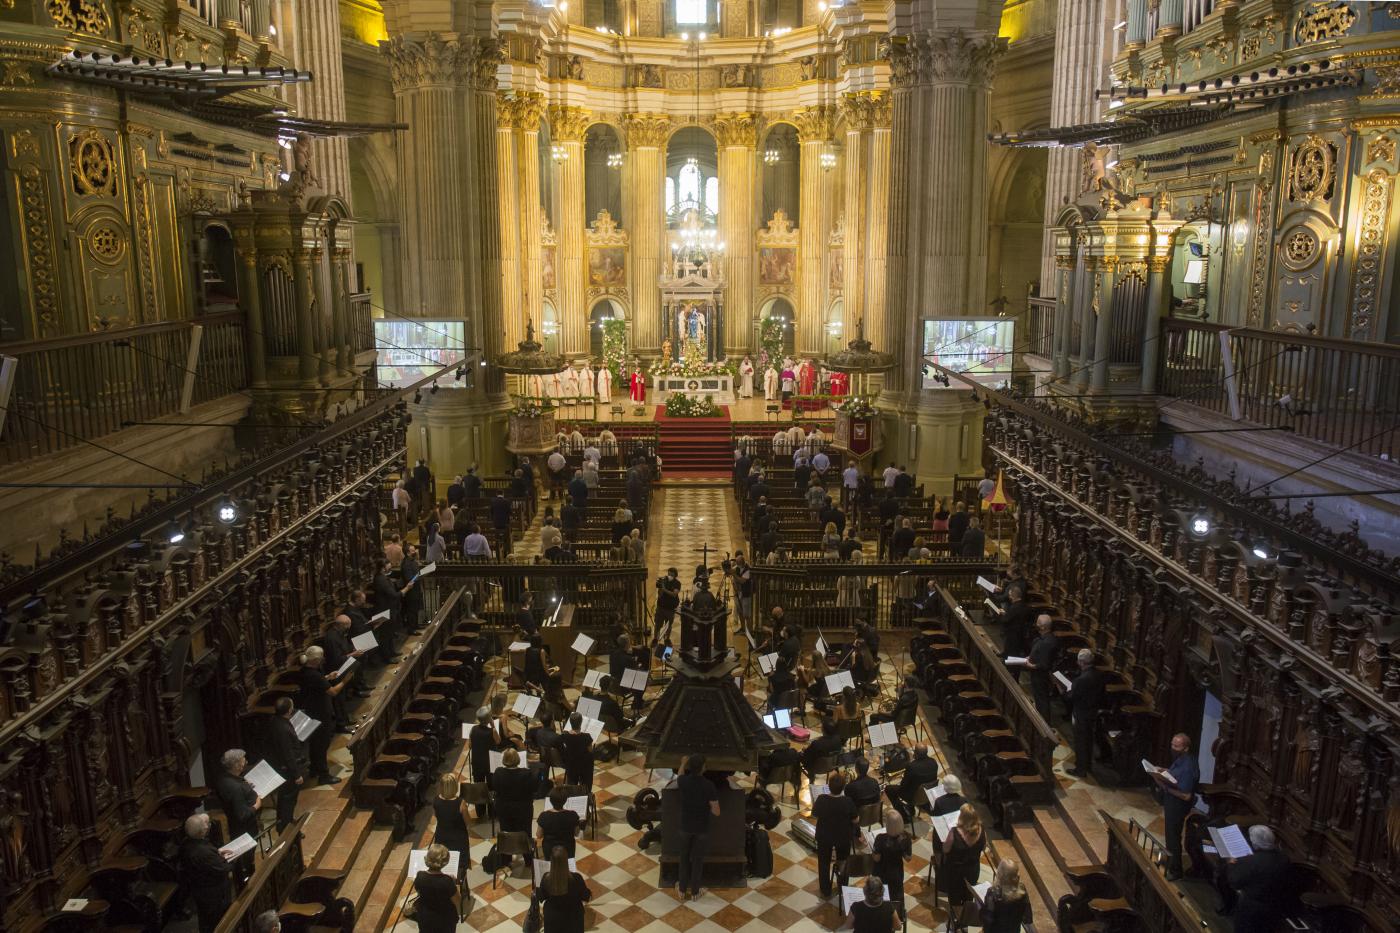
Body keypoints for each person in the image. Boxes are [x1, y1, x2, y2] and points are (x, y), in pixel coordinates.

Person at [1151, 732, 1200, 879]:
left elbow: (1186, 795)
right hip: (1171, 802)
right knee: (1169, 834)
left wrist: (1164, 786)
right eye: (1172, 744)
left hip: (1178, 805)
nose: (1173, 748)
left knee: (1173, 836)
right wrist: (1163, 771)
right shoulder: (1181, 759)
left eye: (1177, 746)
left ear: (1185, 748)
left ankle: (1175, 869)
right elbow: (1174, 774)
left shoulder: (1188, 767)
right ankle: (1170, 860)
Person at [1225, 825, 1291, 933]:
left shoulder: (1252, 861)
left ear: (1254, 843)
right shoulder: (1284, 859)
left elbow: (1235, 881)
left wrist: (1231, 864)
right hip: (1274, 905)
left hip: (1252, 906)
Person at [294, 646, 344, 784]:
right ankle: (324, 775)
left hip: (312, 712)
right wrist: (345, 681)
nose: (323, 659)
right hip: (321, 713)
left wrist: (328, 677)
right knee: (322, 744)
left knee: (315, 743)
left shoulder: (305, 671)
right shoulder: (314, 675)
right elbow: (332, 692)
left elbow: (317, 683)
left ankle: (315, 768)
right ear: (316, 660)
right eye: (321, 657)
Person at [180, 813, 233, 933]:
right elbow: (223, 868)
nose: (207, 826)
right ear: (201, 832)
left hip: (199, 889)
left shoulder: (186, 844)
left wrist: (217, 855)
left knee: (205, 920)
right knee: (217, 922)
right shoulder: (203, 852)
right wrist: (235, 858)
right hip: (212, 893)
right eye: (205, 824)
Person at [676, 754, 720, 901]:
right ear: (703, 768)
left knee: (684, 858)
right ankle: (695, 892)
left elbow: (679, 776)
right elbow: (716, 811)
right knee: (697, 860)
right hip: (701, 828)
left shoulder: (683, 782)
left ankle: (682, 890)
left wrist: (682, 763)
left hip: (685, 826)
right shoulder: (708, 785)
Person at [264, 697, 306, 831]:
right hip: (287, 770)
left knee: (284, 799)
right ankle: (287, 829)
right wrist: (297, 775)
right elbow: (288, 755)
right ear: (289, 710)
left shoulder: (275, 721)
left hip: (281, 767)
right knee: (288, 799)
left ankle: (285, 821)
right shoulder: (282, 728)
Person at [814, 771, 859, 897]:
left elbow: (815, 814)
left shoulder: (821, 799)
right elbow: (855, 820)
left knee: (823, 862)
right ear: (843, 787)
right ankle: (842, 886)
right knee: (843, 860)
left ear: (829, 786)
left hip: (824, 836)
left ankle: (825, 889)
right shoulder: (848, 801)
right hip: (843, 836)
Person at [940, 804, 986, 924]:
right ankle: (965, 920)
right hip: (972, 870)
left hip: (955, 872)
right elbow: (983, 847)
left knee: (955, 898)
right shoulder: (981, 830)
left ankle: (956, 922)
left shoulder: (955, 832)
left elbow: (945, 849)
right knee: (968, 897)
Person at [1064, 649, 1105, 778]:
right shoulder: (1099, 674)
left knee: (1080, 742)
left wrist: (1063, 690)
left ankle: (1080, 769)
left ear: (1081, 662)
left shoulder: (1082, 679)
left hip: (1081, 713)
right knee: (1088, 741)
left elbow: (1071, 697)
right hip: (1093, 712)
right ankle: (1087, 766)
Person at [872, 810, 913, 924]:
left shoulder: (880, 838)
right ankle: (898, 917)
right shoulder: (906, 838)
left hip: (882, 872)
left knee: (879, 894)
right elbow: (908, 858)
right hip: (896, 872)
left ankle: (879, 917)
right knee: (897, 894)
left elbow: (876, 858)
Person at [540, 844, 592, 933]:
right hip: (573, 920)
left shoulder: (546, 879)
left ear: (551, 861)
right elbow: (587, 897)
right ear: (566, 861)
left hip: (553, 921)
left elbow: (541, 897)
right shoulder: (576, 878)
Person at [213, 749, 261, 841]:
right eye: (243, 761)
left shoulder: (223, 778)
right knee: (248, 854)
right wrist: (256, 806)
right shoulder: (236, 788)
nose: (245, 763)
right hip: (245, 831)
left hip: (234, 827)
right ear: (236, 766)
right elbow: (242, 815)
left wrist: (245, 786)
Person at [412, 843, 460, 933]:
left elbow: (419, 892)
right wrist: (455, 884)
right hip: (444, 919)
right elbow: (457, 900)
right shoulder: (447, 881)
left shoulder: (420, 876)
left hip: (426, 918)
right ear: (444, 862)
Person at [491, 747, 536, 841]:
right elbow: (533, 789)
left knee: (506, 833)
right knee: (525, 833)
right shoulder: (527, 773)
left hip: (504, 808)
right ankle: (526, 852)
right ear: (517, 759)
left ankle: (507, 852)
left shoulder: (498, 772)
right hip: (523, 809)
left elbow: (494, 787)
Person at [432, 773, 471, 874]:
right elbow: (468, 822)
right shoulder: (460, 803)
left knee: (443, 864)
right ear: (454, 787)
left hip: (441, 836)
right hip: (458, 839)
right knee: (460, 867)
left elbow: (436, 816)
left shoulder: (436, 800)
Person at [980, 858, 1033, 933]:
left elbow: (987, 919)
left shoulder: (993, 893)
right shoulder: (1022, 889)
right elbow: (1027, 917)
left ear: (1000, 875)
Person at [1024, 614, 1060, 720]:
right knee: (1039, 698)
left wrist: (1032, 665)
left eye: (1038, 623)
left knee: (1042, 699)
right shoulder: (1047, 638)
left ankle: (1043, 723)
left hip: (1041, 676)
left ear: (1043, 627)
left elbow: (1044, 664)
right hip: (1038, 674)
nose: (1036, 624)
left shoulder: (1047, 642)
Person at [892, 745, 939, 823]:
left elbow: (903, 785)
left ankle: (904, 816)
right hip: (928, 794)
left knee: (889, 789)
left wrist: (903, 778)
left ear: (915, 753)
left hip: (914, 796)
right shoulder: (933, 762)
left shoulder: (912, 766)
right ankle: (911, 807)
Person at [537, 786, 582, 858]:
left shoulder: (544, 816)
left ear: (550, 800)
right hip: (568, 849)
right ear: (565, 800)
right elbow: (576, 833)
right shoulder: (573, 815)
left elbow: (539, 835)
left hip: (550, 850)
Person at [467, 708, 496, 817]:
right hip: (489, 763)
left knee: (478, 786)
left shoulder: (473, 729)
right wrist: (493, 726)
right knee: (491, 787)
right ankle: (492, 813)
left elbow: (470, 745)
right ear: (489, 719)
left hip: (477, 762)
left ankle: (480, 812)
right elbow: (498, 741)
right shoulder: (491, 731)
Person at [560, 712, 595, 791]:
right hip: (584, 766)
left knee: (572, 785)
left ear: (570, 722)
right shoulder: (586, 737)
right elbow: (590, 751)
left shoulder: (564, 736)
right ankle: (587, 792)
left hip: (571, 766)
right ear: (581, 722)